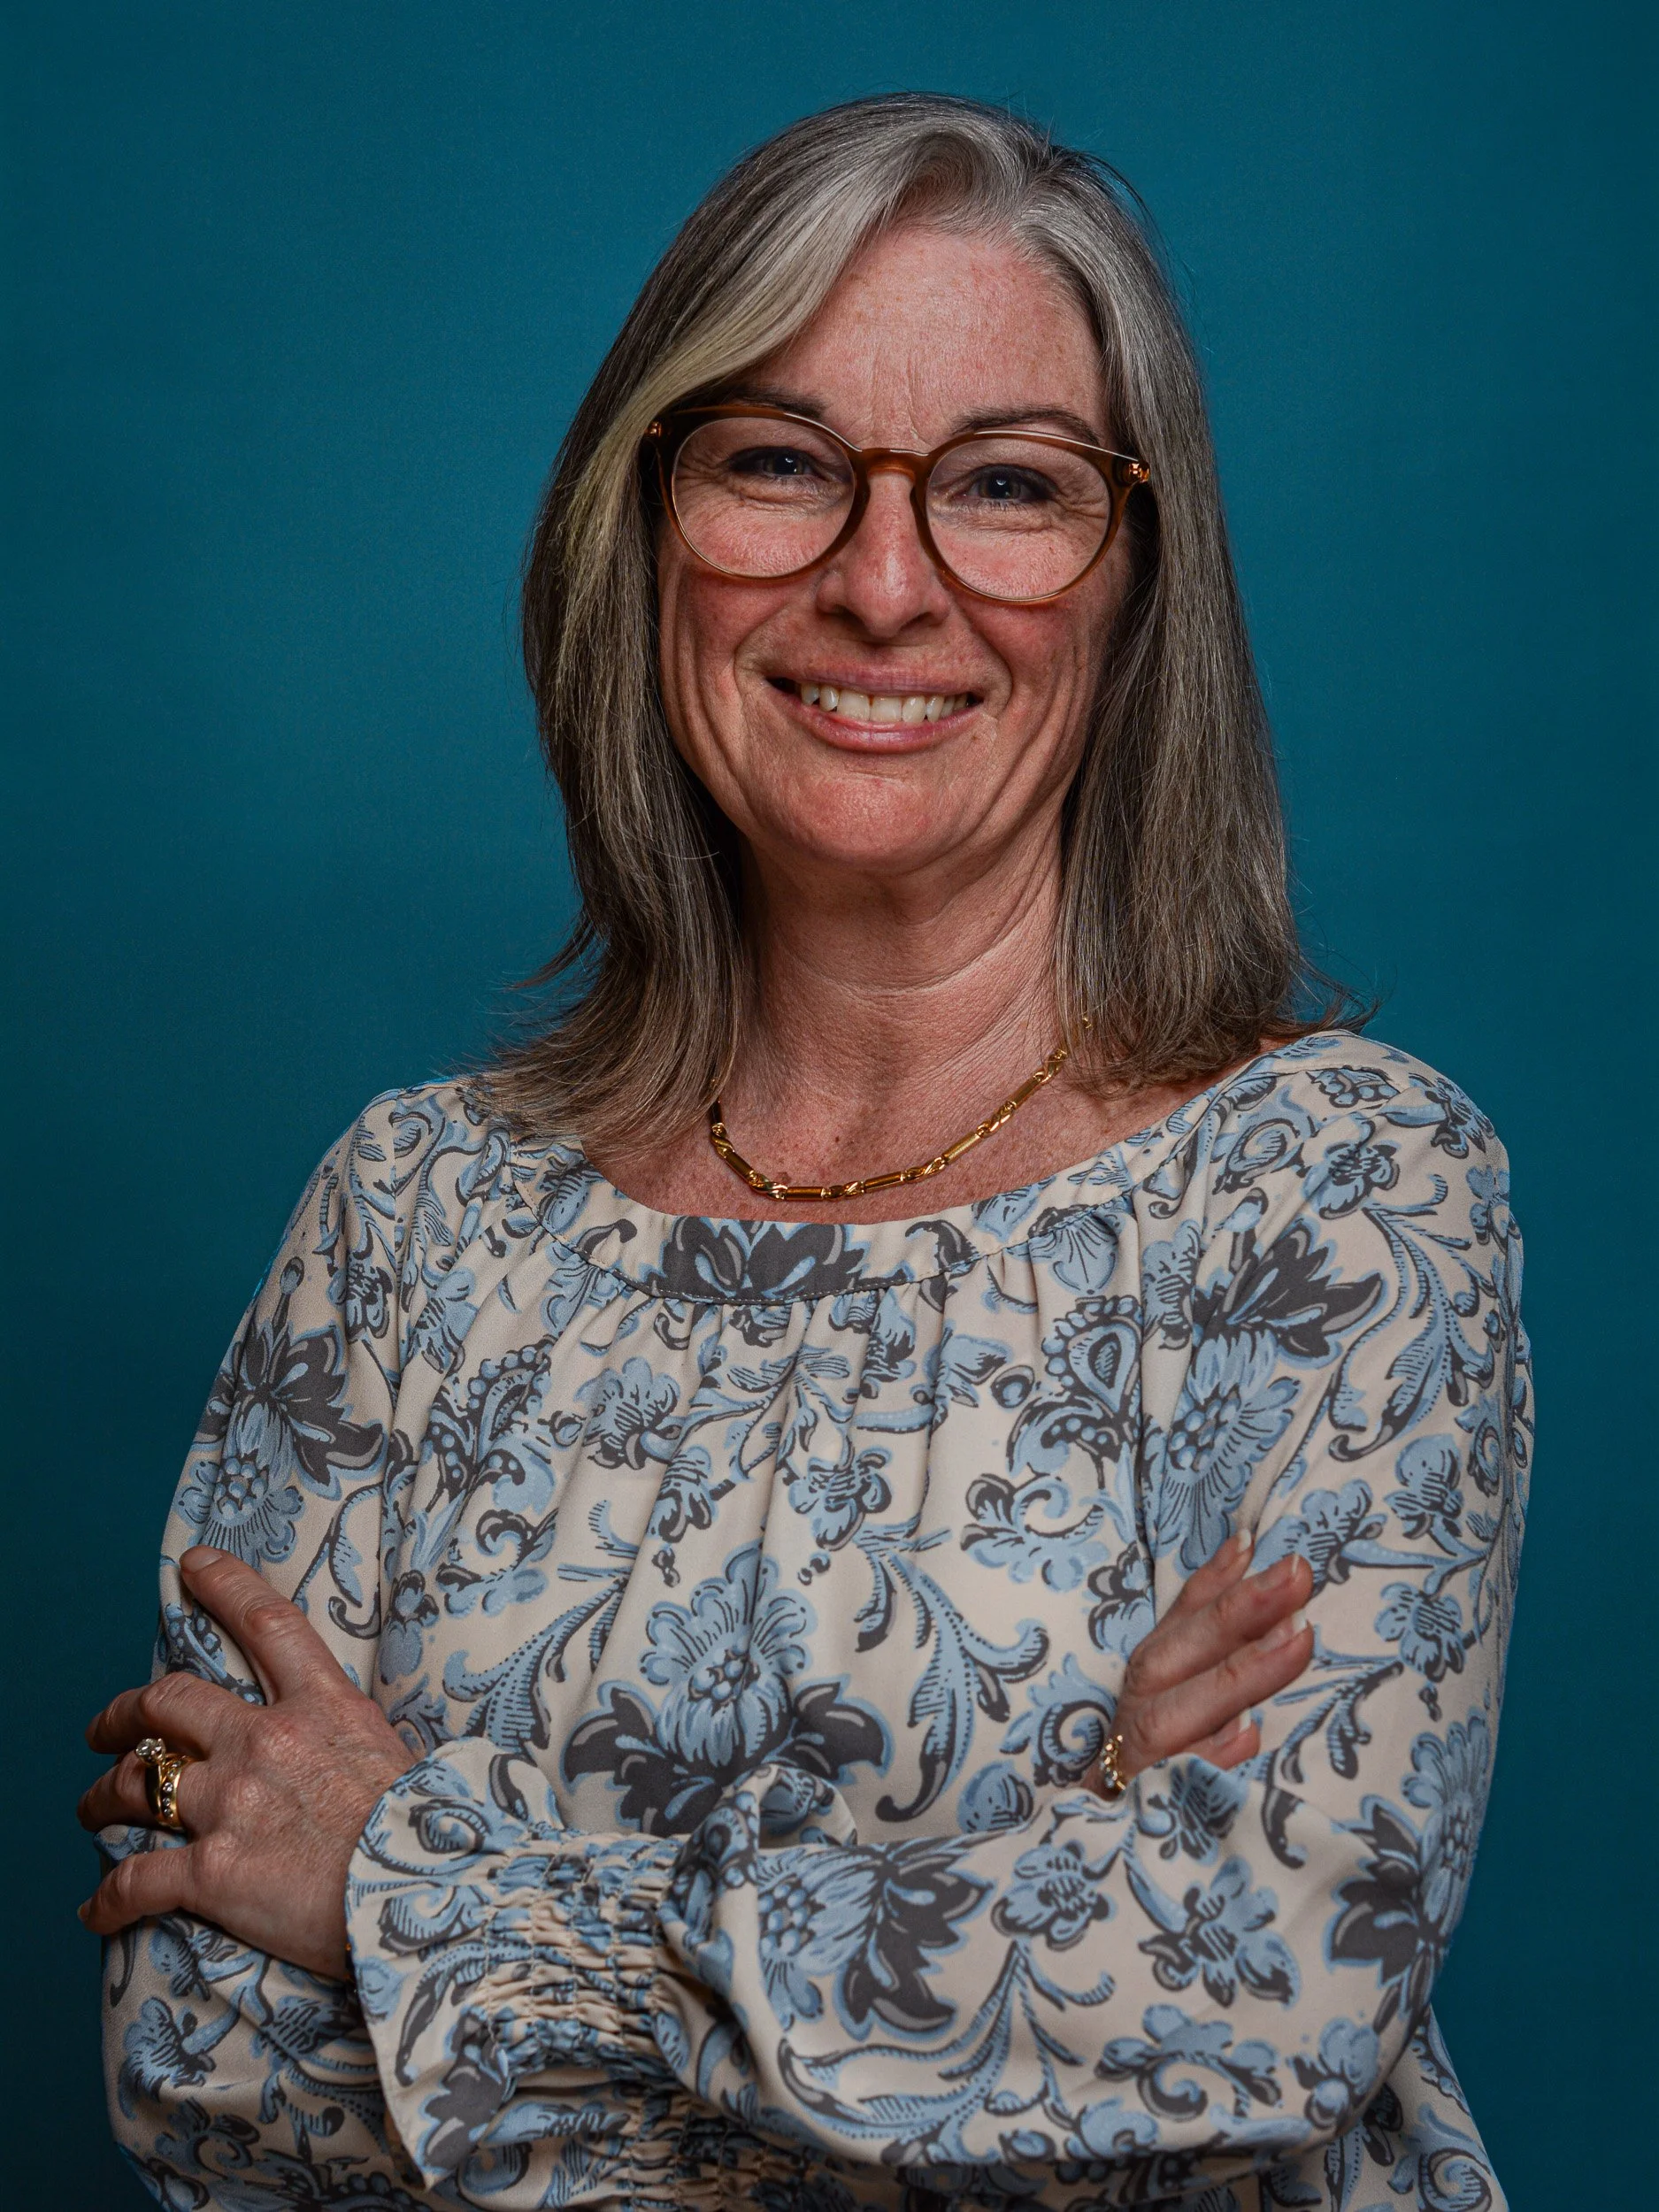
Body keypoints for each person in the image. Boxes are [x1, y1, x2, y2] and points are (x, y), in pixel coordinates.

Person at [79, 94, 1528, 2212]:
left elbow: (1256, 2010)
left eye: (1008, 486)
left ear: (1138, 581)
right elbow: (212, 2063)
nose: (880, 580)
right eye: (776, 460)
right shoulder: (406, 1216)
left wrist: (401, 1871)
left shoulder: (1334, 1200)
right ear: (640, 526)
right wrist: (1046, 1838)